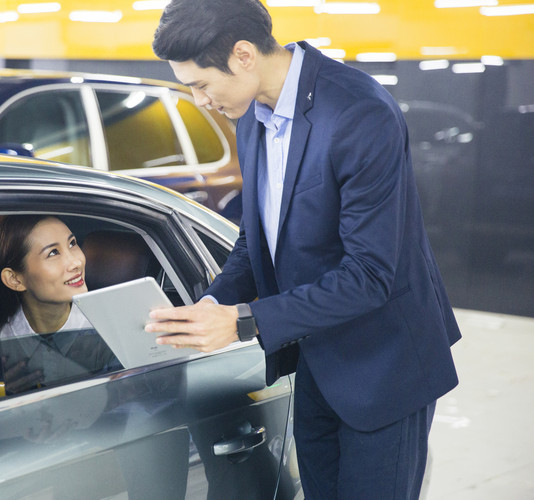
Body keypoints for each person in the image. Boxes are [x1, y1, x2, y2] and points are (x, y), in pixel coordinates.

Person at [147, 1, 461, 498]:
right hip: (319, 359)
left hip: (385, 366)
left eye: (201, 84)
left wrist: (245, 320)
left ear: (244, 55)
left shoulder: (360, 113)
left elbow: (370, 274)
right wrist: (213, 303)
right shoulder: (252, 116)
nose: (199, 99)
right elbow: (258, 239)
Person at [0, 214, 121, 393]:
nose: (76, 262)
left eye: (72, 243)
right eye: (53, 253)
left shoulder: (114, 328)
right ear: (15, 279)